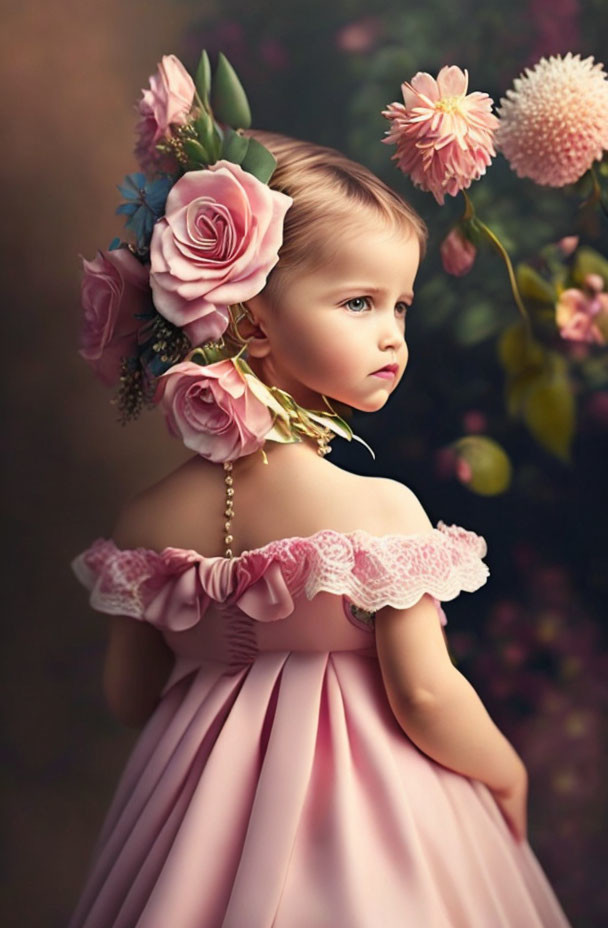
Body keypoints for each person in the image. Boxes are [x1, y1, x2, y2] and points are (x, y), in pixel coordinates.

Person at [70, 129, 572, 926]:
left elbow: (130, 696)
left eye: (399, 305)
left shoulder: (146, 518)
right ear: (254, 325)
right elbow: (425, 694)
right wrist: (506, 772)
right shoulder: (376, 512)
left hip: (192, 828)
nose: (391, 336)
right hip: (375, 824)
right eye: (358, 302)